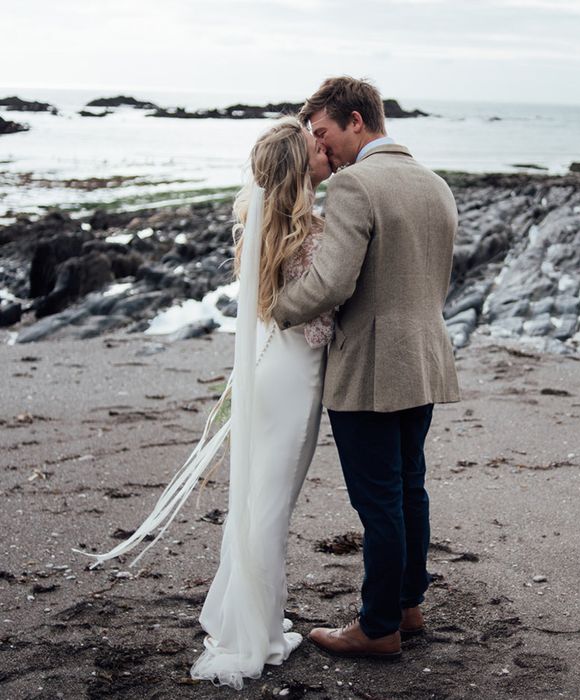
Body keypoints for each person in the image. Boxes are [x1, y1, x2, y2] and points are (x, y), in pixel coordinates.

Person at [75, 116, 333, 690]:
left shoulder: (258, 224)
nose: (323, 149)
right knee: (270, 507)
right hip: (292, 378)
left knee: (258, 501)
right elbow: (317, 322)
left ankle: (256, 622)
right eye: (314, 146)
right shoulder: (312, 233)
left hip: (266, 372)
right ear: (297, 165)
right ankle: (253, 638)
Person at [272, 76, 460, 659]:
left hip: (370, 367)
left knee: (378, 500)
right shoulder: (436, 184)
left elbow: (332, 282)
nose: (323, 150)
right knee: (409, 488)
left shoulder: (355, 185)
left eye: (325, 133)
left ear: (357, 121)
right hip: (425, 358)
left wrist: (272, 309)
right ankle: (408, 606)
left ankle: (377, 627)